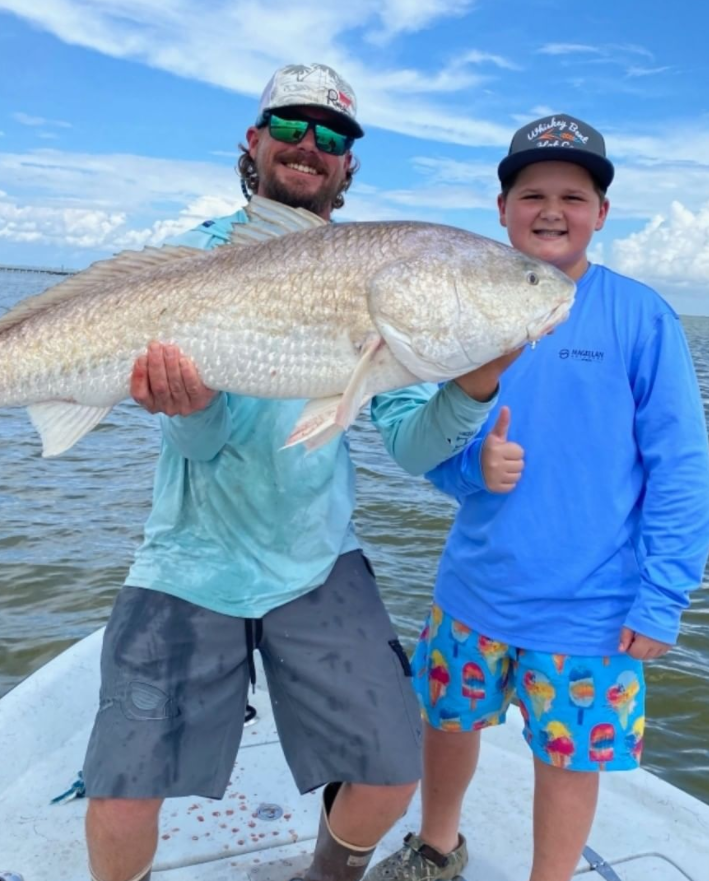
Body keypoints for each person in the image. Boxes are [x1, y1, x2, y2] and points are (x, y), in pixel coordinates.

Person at [82, 62, 517, 881]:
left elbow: (416, 447)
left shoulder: (384, 284)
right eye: (290, 126)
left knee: (393, 771)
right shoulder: (194, 260)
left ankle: (325, 877)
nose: (309, 145)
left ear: (349, 164)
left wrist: (473, 385)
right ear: (254, 142)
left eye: (333, 135)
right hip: (188, 559)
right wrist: (191, 406)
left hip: (316, 555)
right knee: (120, 794)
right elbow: (202, 447)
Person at [366, 114, 709, 881]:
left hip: (594, 607)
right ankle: (437, 845)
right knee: (447, 720)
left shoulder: (641, 315)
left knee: (567, 761)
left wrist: (662, 598)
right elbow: (433, 446)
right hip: (475, 587)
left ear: (602, 213)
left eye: (572, 195)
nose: (551, 209)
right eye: (531, 193)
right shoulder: (455, 307)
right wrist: (470, 471)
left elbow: (683, 468)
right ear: (500, 208)